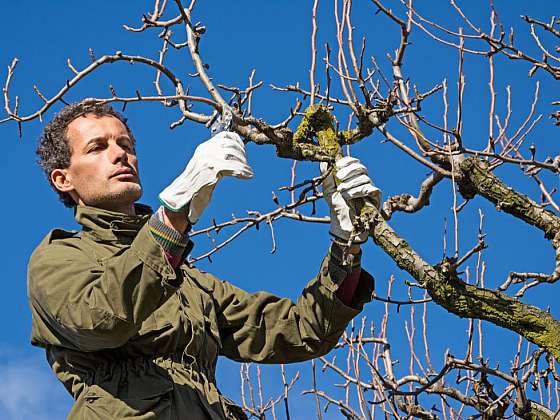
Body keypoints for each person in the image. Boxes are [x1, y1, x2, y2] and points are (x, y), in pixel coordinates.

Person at [28, 101, 381, 419]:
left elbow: (303, 330)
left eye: (126, 145)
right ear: (63, 179)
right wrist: (174, 214)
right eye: (97, 147)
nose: (120, 155)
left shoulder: (189, 281)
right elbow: (103, 318)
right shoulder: (57, 260)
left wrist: (345, 245)